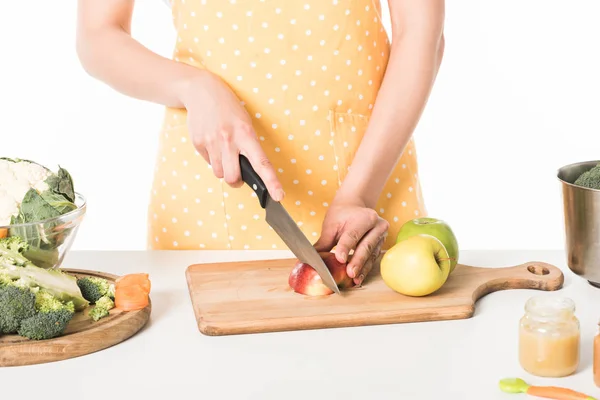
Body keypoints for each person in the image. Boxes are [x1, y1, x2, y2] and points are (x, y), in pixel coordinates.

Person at [76, 0, 445, 286]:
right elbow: (98, 34)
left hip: (369, 183)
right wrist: (191, 86)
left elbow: (420, 32)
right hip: (211, 190)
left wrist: (360, 193)